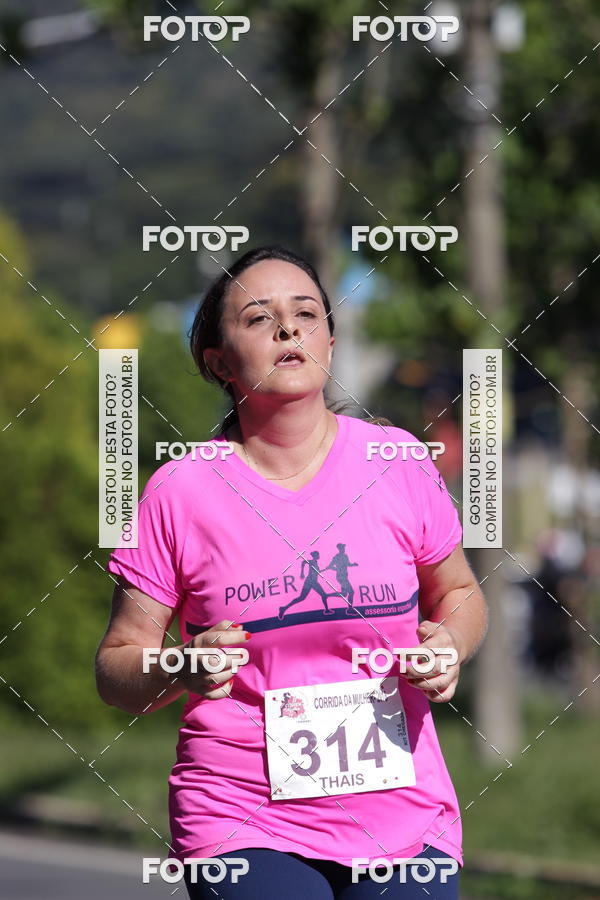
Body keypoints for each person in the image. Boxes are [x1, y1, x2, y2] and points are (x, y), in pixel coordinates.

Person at [95, 245, 488, 900]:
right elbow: (115, 667)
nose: (287, 329)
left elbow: (461, 593)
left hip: (403, 814)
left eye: (306, 314)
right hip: (241, 817)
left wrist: (450, 645)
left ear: (330, 342)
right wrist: (181, 665)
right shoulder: (180, 492)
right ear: (218, 360)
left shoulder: (396, 462)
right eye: (258, 318)